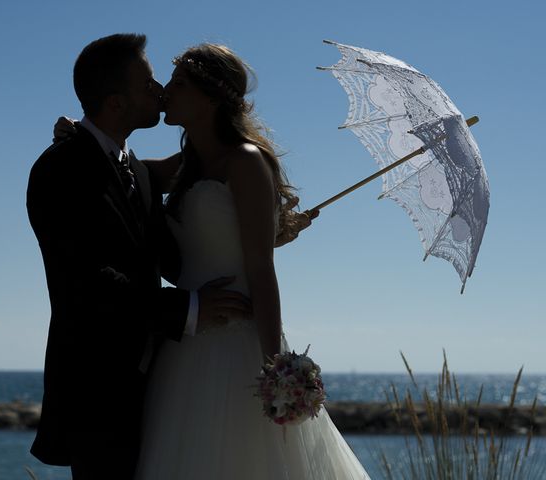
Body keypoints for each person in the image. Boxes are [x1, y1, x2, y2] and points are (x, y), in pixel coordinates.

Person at [129, 44, 370, 479]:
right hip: (185, 340)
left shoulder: (246, 161)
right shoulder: (189, 164)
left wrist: (276, 367)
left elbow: (260, 267)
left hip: (234, 339)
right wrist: (81, 139)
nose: (167, 91)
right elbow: (126, 170)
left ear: (211, 97)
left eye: (179, 83)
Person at [26, 34, 252, 479]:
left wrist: (253, 232)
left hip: (164, 384)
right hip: (98, 394)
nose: (159, 90)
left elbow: (173, 257)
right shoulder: (60, 170)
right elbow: (88, 282)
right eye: (148, 84)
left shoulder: (139, 174)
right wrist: (189, 308)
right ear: (115, 103)